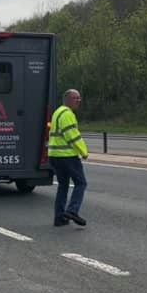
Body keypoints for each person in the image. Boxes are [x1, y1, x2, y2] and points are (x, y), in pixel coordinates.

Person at [48, 89, 89, 227]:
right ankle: (72, 210)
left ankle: (59, 218)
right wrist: (83, 151)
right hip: (67, 156)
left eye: (79, 98)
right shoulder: (67, 114)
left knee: (63, 185)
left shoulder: (57, 112)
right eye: (75, 98)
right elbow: (72, 135)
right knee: (81, 183)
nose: (78, 100)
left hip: (54, 155)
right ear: (67, 99)